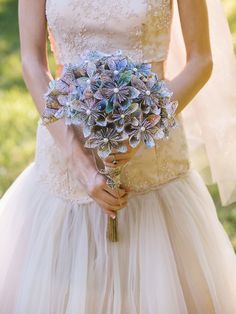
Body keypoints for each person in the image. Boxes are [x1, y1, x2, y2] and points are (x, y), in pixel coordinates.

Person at [0, 0, 236, 313]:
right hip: (65, 159)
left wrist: (145, 128)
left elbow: (201, 61)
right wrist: (82, 166)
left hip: (152, 162)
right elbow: (32, 61)